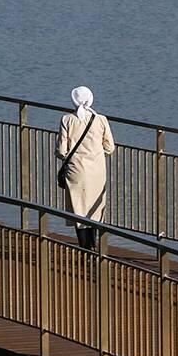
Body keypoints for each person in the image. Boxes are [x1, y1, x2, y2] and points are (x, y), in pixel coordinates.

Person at [57, 86, 115, 250]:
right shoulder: (101, 119)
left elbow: (62, 151)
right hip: (97, 172)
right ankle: (94, 245)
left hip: (76, 171)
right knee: (95, 209)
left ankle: (85, 248)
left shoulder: (67, 119)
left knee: (79, 209)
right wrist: (96, 154)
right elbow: (110, 148)